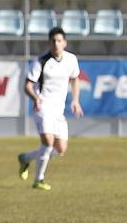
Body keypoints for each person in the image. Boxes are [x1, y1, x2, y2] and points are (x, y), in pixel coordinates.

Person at [18, 27, 83, 191]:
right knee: (48, 142)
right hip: (43, 106)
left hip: (58, 109)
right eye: (53, 41)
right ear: (49, 43)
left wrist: (75, 100)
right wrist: (35, 98)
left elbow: (75, 79)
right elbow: (27, 85)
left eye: (59, 41)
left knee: (60, 149)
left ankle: (26, 158)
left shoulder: (71, 59)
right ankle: (39, 179)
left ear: (65, 43)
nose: (56, 44)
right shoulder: (40, 61)